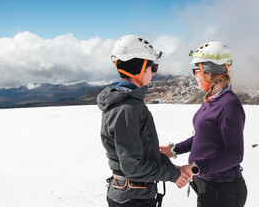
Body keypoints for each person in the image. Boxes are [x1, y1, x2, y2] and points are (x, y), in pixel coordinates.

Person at [97, 35, 195, 207]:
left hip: (135, 195)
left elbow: (144, 153)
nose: (155, 72)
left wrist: (174, 170)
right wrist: (173, 175)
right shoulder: (127, 109)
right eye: (153, 67)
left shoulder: (130, 104)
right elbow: (133, 167)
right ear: (139, 70)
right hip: (132, 200)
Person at [160, 41, 248, 207]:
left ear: (208, 73)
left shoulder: (229, 105)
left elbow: (235, 154)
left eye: (195, 71)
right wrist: (173, 149)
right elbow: (203, 138)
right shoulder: (211, 99)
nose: (193, 76)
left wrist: (194, 168)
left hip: (224, 190)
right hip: (209, 186)